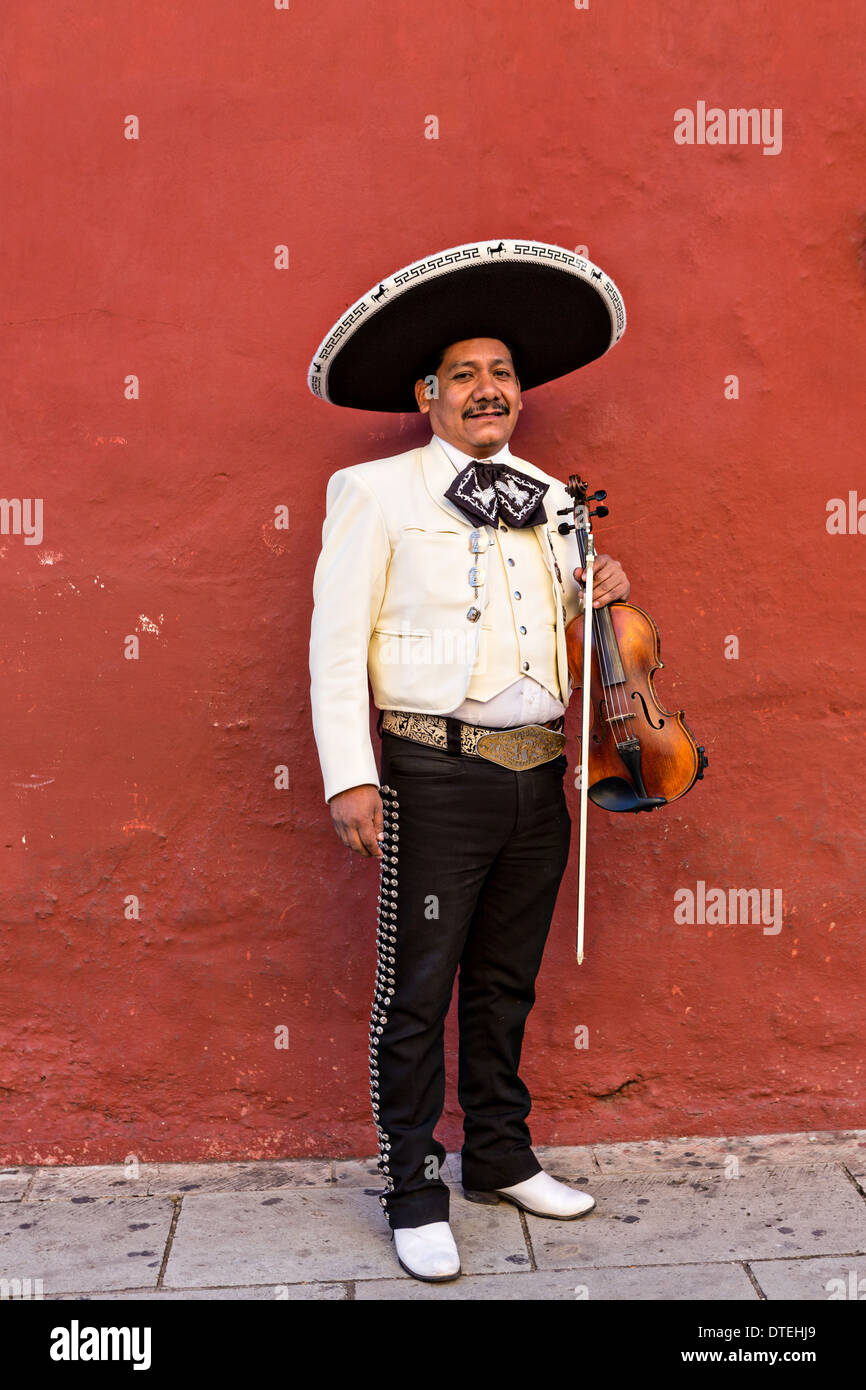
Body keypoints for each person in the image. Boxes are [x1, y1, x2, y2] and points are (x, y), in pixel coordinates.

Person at [308, 240, 630, 1282]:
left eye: (501, 375)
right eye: (464, 376)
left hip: (539, 775)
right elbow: (333, 637)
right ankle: (412, 1186)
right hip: (432, 773)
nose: (486, 390)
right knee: (417, 986)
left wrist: (602, 591)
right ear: (427, 394)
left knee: (505, 981)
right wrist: (347, 772)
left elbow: (584, 644)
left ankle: (497, 1153)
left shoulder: (556, 496)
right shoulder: (373, 489)